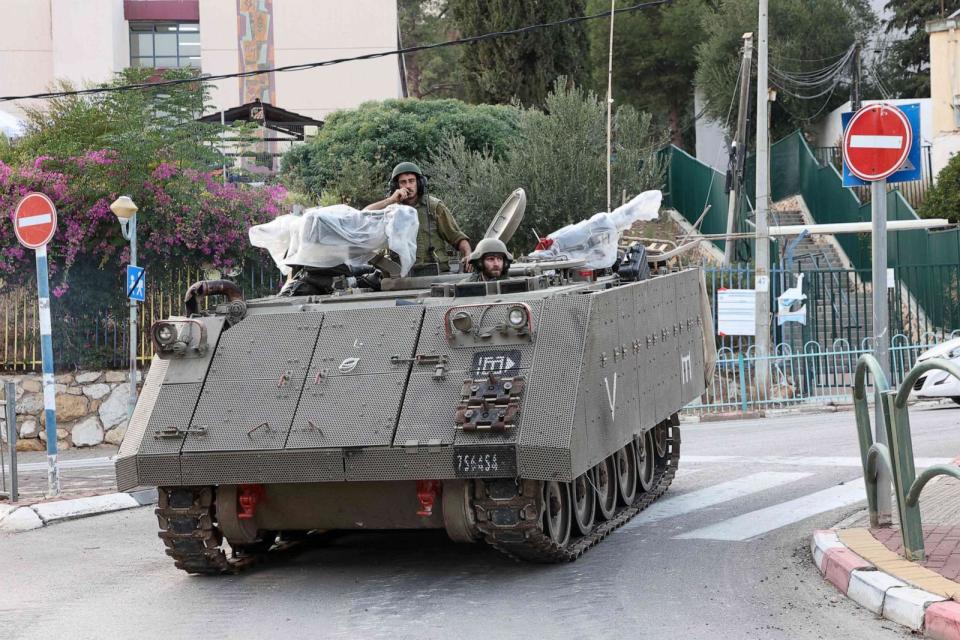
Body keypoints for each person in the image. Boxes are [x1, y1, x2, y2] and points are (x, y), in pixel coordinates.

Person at [364, 162, 472, 273]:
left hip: (437, 274)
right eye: (403, 182)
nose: (408, 186)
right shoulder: (391, 210)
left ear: (419, 183)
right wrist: (390, 200)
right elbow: (364, 215)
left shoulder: (434, 207)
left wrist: (468, 255)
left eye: (411, 181)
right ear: (396, 186)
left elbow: (457, 238)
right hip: (403, 276)